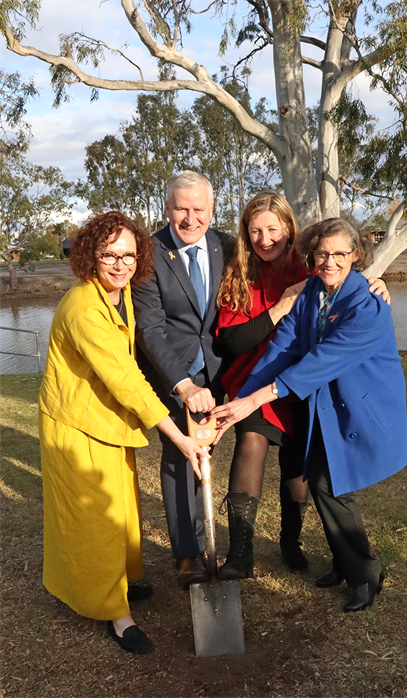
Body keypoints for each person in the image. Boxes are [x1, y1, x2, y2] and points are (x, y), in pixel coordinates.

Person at [212, 217, 407, 612]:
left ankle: (365, 574)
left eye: (340, 253)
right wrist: (240, 403)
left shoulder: (367, 305)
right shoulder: (310, 294)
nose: (331, 261)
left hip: (360, 405)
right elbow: (281, 350)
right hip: (325, 406)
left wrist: (253, 402)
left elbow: (317, 362)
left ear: (357, 255)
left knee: (325, 482)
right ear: (312, 255)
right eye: (322, 253)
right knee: (325, 480)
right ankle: (343, 562)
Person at [39, 211, 206, 654]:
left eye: (128, 255)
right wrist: (181, 437)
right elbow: (126, 379)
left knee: (124, 511)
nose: (119, 264)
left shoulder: (119, 293)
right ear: (90, 256)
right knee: (97, 519)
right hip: (77, 424)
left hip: (107, 419)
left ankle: (121, 585)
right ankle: (117, 616)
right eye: (108, 254)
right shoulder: (83, 308)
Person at [132, 171, 234, 589]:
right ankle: (188, 554)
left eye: (199, 209)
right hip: (173, 375)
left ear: (211, 210)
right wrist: (184, 385)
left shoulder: (227, 246)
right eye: (181, 209)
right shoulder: (150, 253)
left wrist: (366, 279)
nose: (190, 218)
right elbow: (150, 330)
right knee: (179, 457)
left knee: (206, 455)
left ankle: (209, 537)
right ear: (167, 208)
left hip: (218, 372)